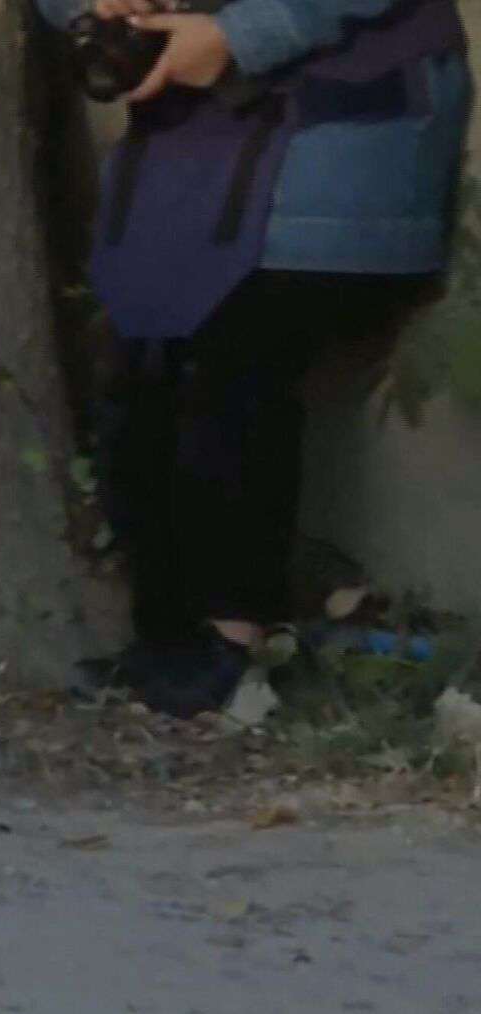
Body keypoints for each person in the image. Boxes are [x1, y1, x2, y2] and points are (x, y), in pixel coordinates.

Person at [36, 0, 472, 716]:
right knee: (142, 364)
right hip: (194, 133)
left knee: (235, 354)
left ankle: (233, 641)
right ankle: (171, 638)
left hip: (347, 116)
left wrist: (240, 37)